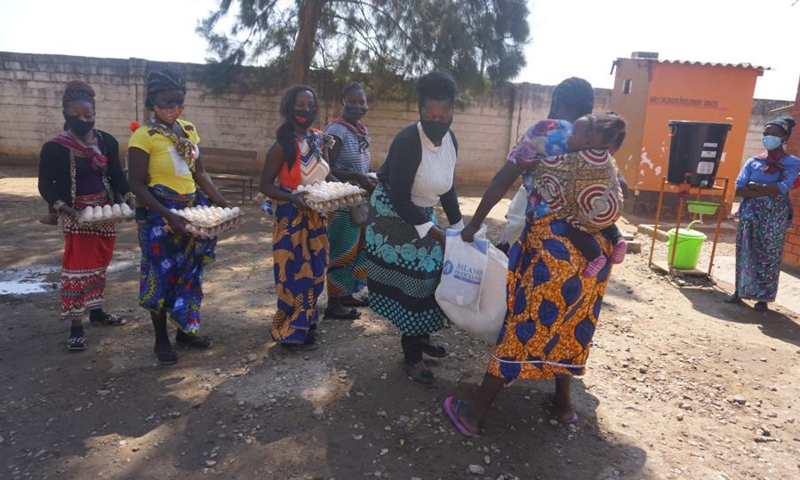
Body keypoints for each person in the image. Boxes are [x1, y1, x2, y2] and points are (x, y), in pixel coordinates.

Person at [443, 77, 613, 435]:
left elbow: (502, 180)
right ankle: (563, 405)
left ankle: (474, 414)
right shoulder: (600, 144)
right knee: (569, 325)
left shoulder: (545, 131)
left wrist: (473, 225)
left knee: (524, 326)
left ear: (557, 102)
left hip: (551, 250)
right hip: (596, 255)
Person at [365, 71, 464, 384]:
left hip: (421, 212)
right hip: (392, 214)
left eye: (443, 114)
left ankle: (420, 335)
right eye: (429, 114)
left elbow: (446, 188)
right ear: (420, 110)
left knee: (435, 275)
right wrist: (438, 235)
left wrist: (459, 227)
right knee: (418, 281)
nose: (437, 120)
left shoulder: (451, 141)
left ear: (452, 111)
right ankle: (412, 357)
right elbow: (400, 198)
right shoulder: (409, 140)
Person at [128, 69, 230, 364]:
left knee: (191, 272)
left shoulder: (187, 130)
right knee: (161, 276)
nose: (172, 109)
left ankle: (186, 330)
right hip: (158, 216)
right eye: (165, 103)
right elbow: (135, 183)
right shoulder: (143, 136)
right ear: (152, 103)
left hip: (192, 212)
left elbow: (200, 172)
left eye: (178, 103)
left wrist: (220, 201)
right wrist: (166, 214)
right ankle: (161, 340)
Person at [38, 80, 133, 351]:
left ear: (95, 113)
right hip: (76, 213)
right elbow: (46, 185)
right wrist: (66, 209)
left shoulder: (106, 141)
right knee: (77, 267)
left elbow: (116, 175)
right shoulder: (55, 147)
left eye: (88, 115)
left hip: (105, 212)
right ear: (65, 114)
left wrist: (129, 201)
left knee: (100, 263)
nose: (83, 119)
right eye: (77, 115)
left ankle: (97, 311)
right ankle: (76, 324)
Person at [260, 85, 337, 351]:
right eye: (299, 105)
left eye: (310, 106)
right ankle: (289, 330)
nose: (305, 110)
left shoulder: (319, 139)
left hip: (317, 216)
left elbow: (327, 175)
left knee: (316, 271)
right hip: (290, 218)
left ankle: (308, 322)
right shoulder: (282, 145)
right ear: (289, 108)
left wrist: (348, 189)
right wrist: (293, 198)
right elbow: (265, 185)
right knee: (292, 274)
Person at [515, 112, 629, 277]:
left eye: (574, 133)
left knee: (570, 223)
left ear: (587, 141)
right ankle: (618, 239)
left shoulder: (575, 159)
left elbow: (549, 170)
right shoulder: (605, 157)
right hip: (610, 210)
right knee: (600, 212)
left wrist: (534, 165)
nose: (568, 137)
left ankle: (595, 257)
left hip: (589, 214)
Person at [725, 116, 799, 312]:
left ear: (784, 138)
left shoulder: (792, 163)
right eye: (766, 133)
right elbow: (740, 189)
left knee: (769, 253)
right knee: (745, 249)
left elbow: (784, 187)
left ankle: (763, 298)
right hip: (750, 212)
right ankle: (739, 291)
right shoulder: (753, 161)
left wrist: (756, 186)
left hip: (775, 214)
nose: (768, 137)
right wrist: (769, 187)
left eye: (774, 134)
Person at [324, 83, 377, 319]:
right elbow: (327, 168)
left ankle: (346, 294)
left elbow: (362, 164)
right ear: (343, 102)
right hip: (342, 201)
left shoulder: (360, 130)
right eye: (353, 101)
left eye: (362, 102)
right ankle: (334, 303)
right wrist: (356, 177)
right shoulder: (336, 131)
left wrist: (369, 176)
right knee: (342, 248)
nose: (358, 106)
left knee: (357, 249)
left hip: (360, 198)